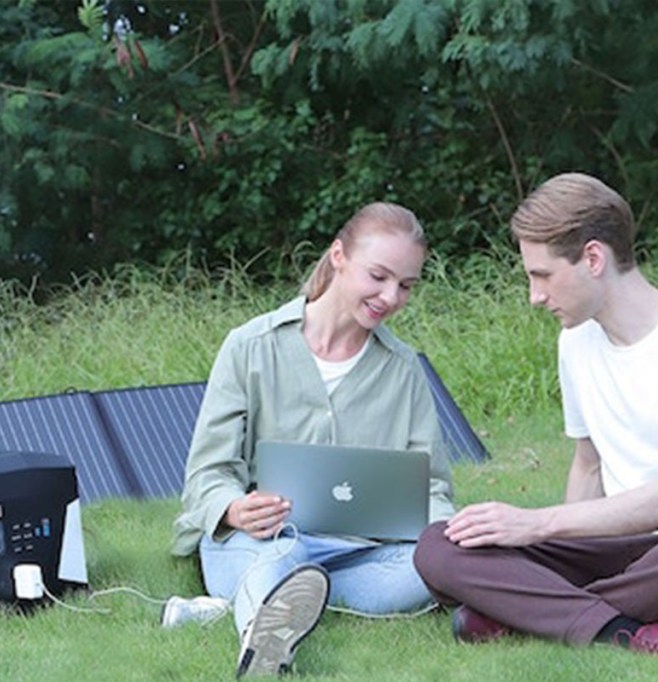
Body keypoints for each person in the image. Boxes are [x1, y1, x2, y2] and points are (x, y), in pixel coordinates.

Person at [414, 172, 658, 667]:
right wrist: (554, 541)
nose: (534, 296)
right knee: (440, 545)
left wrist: (538, 524)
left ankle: (523, 612)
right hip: (622, 546)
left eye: (541, 275)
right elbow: (588, 467)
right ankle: (634, 631)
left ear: (592, 258)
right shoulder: (576, 341)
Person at [169, 202, 455, 677]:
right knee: (282, 554)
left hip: (365, 553)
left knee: (428, 570)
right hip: (263, 541)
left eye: (406, 285)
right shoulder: (250, 347)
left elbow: (433, 489)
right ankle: (264, 642)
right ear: (338, 256)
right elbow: (208, 473)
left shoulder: (403, 369)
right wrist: (235, 509)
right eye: (378, 276)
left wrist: (446, 544)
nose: (390, 296)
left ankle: (265, 602)